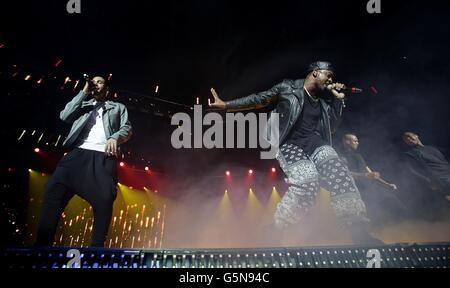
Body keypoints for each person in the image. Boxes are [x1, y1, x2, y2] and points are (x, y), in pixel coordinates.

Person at [210, 61, 381, 244]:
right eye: (328, 75)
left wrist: (339, 99)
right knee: (307, 183)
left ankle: (358, 231)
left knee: (340, 174)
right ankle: (276, 229)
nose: (331, 80)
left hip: (316, 143)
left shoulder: (323, 102)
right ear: (315, 73)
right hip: (288, 143)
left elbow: (332, 127)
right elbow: (258, 99)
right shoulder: (288, 87)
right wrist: (226, 105)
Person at [35, 76, 132, 247]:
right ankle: (42, 244)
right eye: (93, 82)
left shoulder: (118, 107)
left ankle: (96, 247)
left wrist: (115, 137)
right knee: (53, 192)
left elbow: (127, 128)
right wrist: (83, 92)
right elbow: (64, 116)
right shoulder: (83, 105)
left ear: (107, 89)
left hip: (102, 156)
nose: (96, 84)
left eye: (100, 82)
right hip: (77, 154)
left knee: (104, 199)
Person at [341, 133, 408, 224]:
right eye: (355, 141)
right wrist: (365, 176)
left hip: (373, 188)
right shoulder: (340, 157)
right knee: (373, 218)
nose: (358, 143)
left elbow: (371, 174)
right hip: (360, 193)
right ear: (347, 142)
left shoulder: (358, 156)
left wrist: (387, 185)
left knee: (399, 208)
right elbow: (345, 174)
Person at [402, 132, 450, 202]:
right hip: (441, 179)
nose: (408, 139)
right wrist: (429, 181)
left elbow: (444, 161)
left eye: (409, 136)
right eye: (405, 139)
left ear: (416, 135)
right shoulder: (411, 154)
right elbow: (413, 170)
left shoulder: (432, 148)